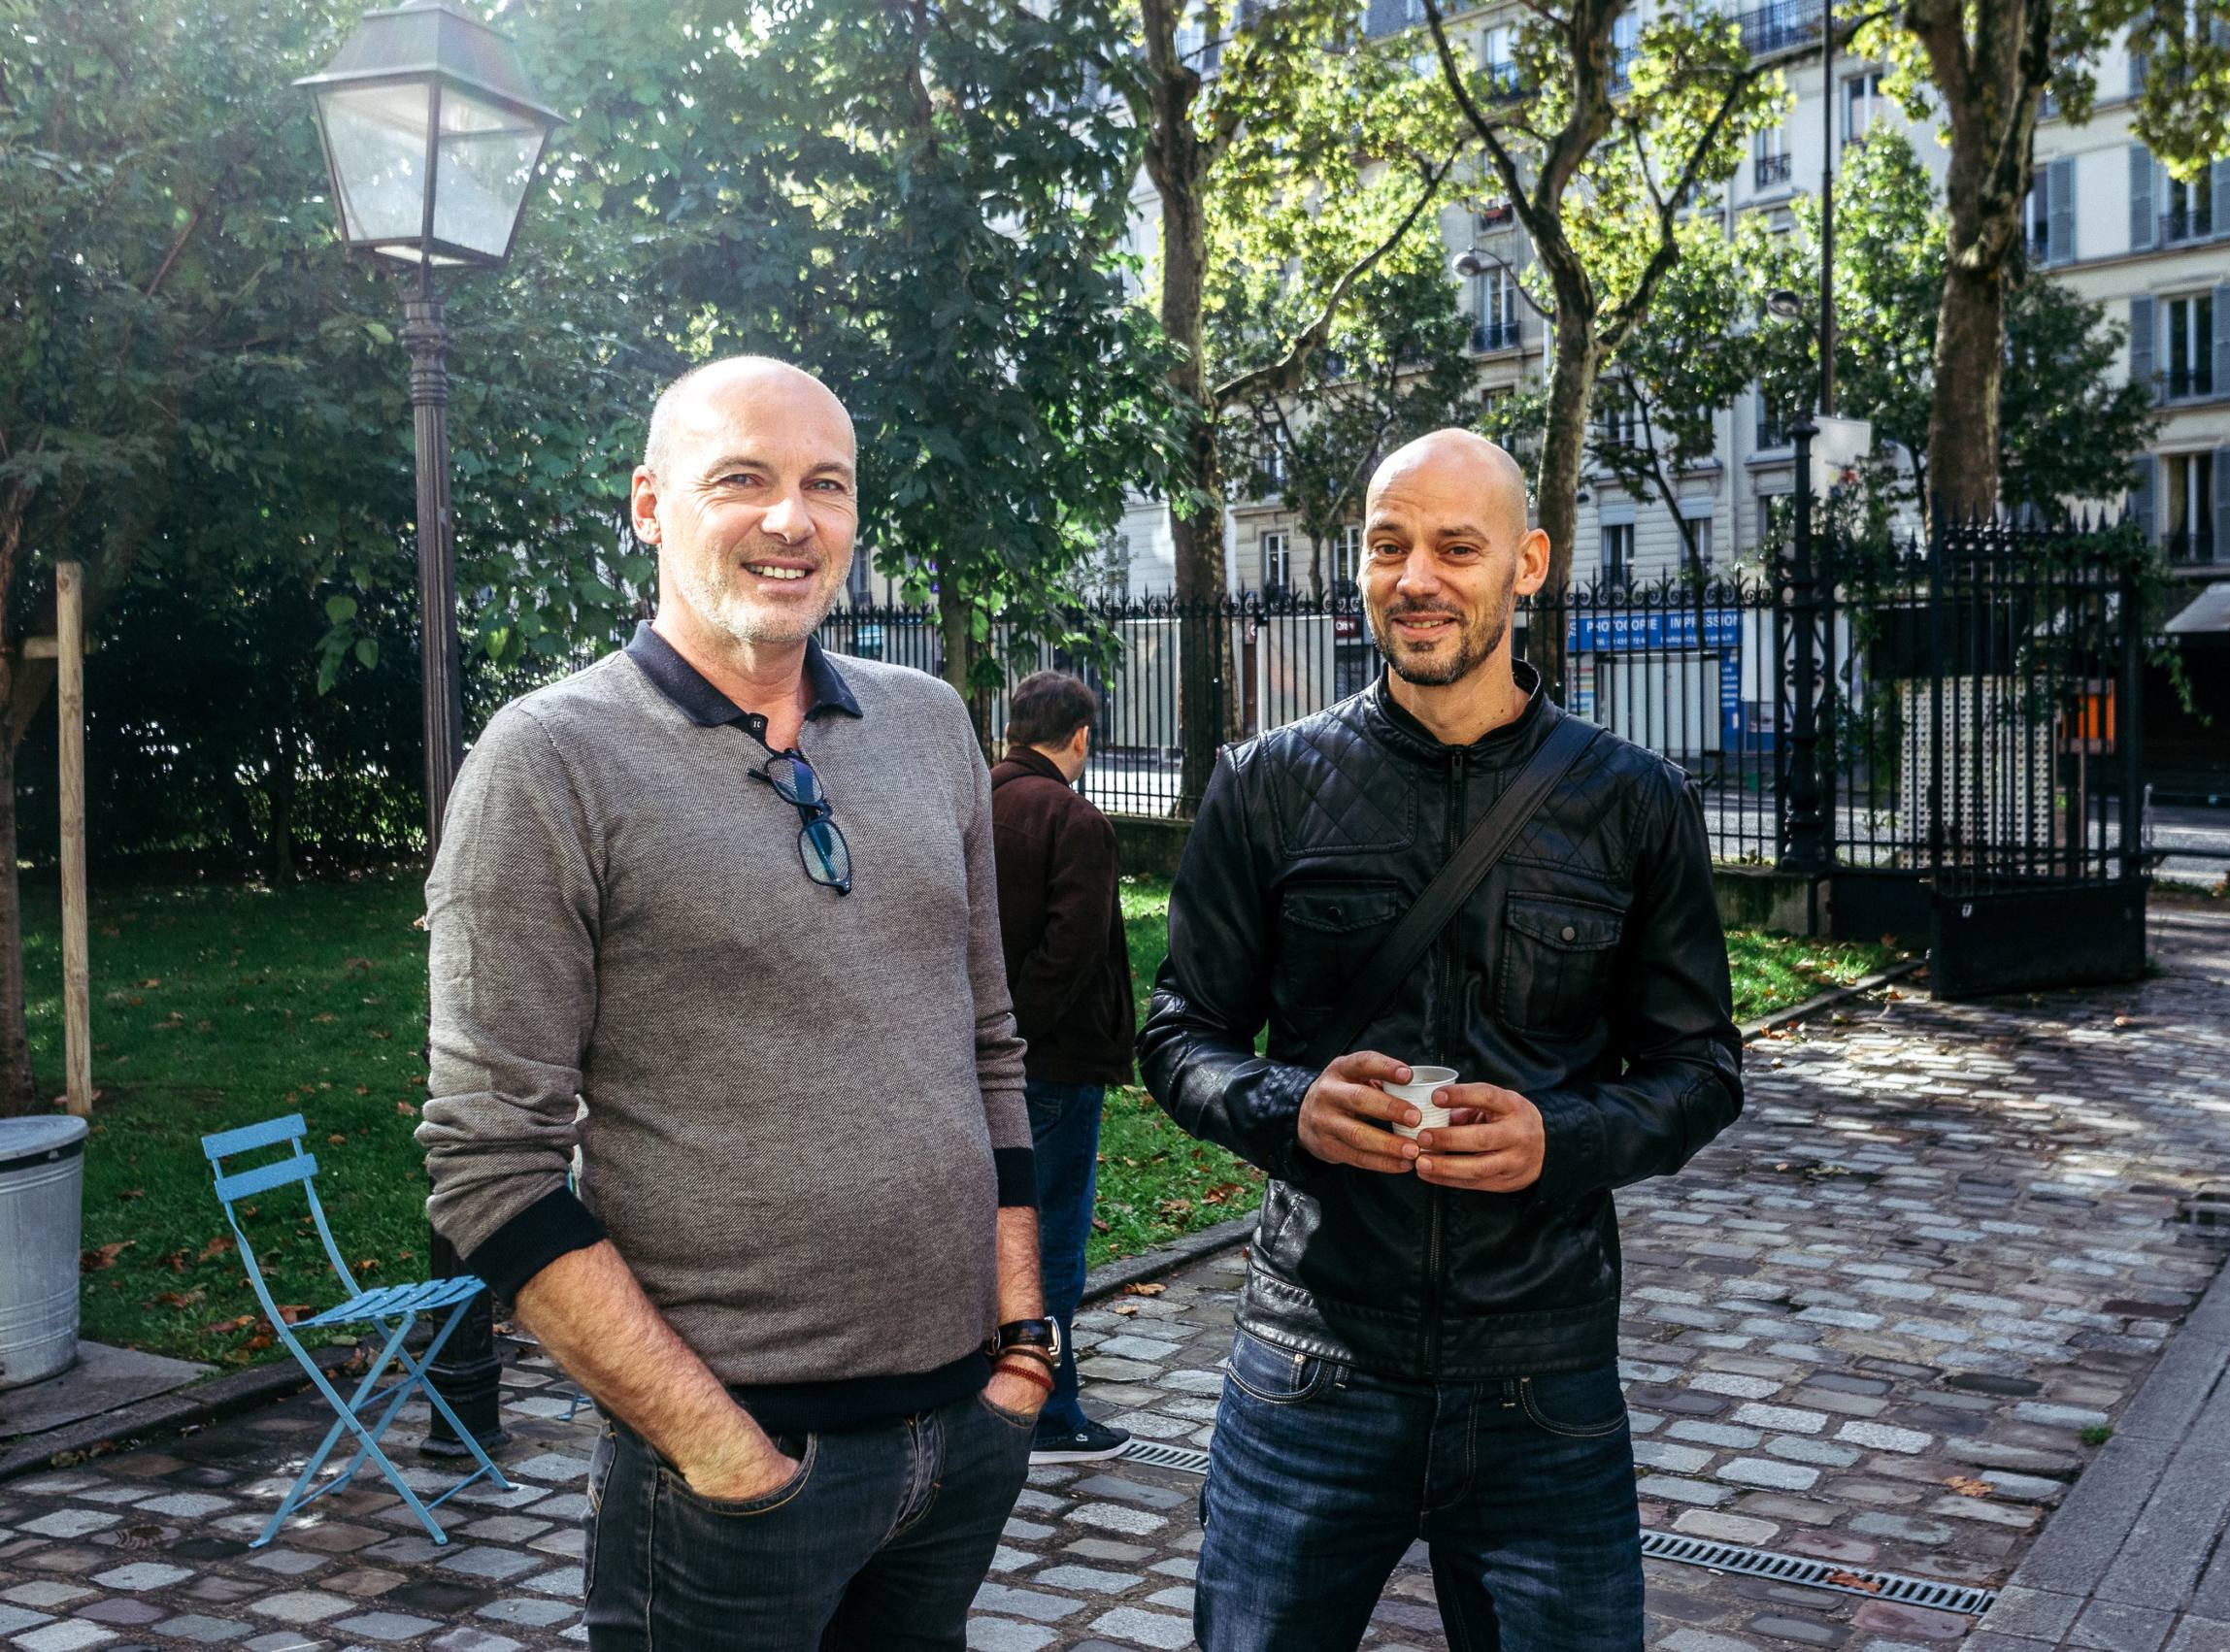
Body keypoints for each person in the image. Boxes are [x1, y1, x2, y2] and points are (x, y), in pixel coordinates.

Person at [419, 356, 1053, 1652]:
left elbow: (988, 1043)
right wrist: (722, 1448)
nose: (792, 519)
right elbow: (488, 1164)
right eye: (744, 481)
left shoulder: (929, 724)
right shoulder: (549, 760)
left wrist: (1024, 1349)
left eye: (827, 484)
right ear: (651, 505)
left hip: (963, 1445)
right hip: (734, 1475)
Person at [1139, 428, 1746, 1651]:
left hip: (1543, 1372)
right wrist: (1284, 1107)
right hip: (1309, 1359)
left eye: (1454, 547)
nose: (1415, 577)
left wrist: (1557, 1137)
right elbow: (1181, 1035)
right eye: (1387, 546)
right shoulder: (1263, 784)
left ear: (1526, 564)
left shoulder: (1633, 799)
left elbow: (1700, 1069)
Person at [989, 670, 1137, 1464]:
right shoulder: (1074, 818)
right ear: (1081, 736)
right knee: (1051, 1244)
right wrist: (1020, 1038)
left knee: (994, 1232)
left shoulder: (976, 798)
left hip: (978, 1061)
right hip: (1051, 1065)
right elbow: (1070, 953)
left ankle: (996, 1390)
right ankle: (1050, 1410)